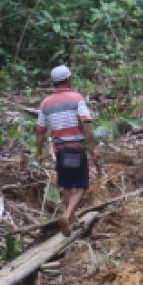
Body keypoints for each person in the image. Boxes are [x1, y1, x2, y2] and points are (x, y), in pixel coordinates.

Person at [35, 65, 100, 237]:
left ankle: (70, 223)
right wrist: (94, 148)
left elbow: (40, 131)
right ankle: (67, 215)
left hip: (60, 150)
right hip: (77, 148)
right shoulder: (76, 98)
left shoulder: (45, 103)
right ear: (68, 79)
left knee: (67, 186)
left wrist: (39, 153)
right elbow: (86, 125)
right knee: (82, 186)